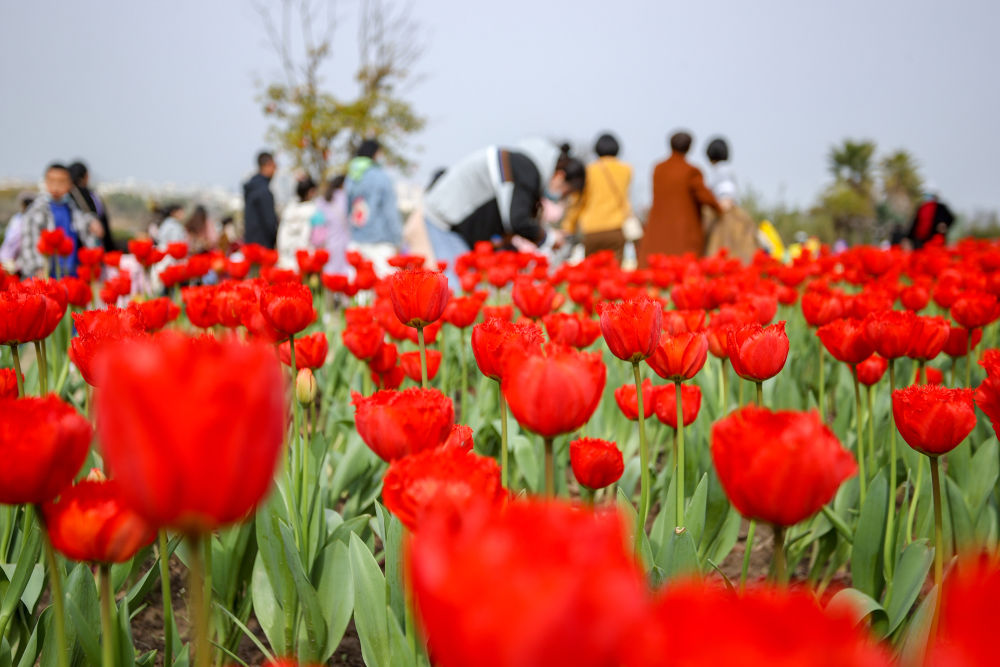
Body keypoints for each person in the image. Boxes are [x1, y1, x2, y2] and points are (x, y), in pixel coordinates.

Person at [423, 139, 586, 268]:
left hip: (455, 223)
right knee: (454, 290)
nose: (562, 196)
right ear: (559, 176)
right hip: (446, 221)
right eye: (566, 191)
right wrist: (550, 238)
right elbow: (517, 221)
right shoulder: (526, 168)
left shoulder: (524, 164)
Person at [638, 131, 720, 267]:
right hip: (684, 234)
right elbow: (706, 197)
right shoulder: (691, 171)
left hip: (658, 233)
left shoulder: (658, 169)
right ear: (689, 147)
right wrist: (720, 208)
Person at [18, 163, 101, 277]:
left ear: (69, 184)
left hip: (71, 271)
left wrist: (92, 223)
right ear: (45, 182)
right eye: (52, 181)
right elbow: (29, 242)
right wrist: (37, 268)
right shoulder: (36, 211)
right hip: (47, 273)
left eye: (61, 182)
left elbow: (85, 228)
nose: (56, 187)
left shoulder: (73, 208)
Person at [561, 133, 632, 262]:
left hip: (592, 230)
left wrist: (568, 226)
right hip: (616, 228)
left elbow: (579, 200)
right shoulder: (626, 170)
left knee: (592, 272)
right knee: (614, 272)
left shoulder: (589, 170)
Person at [345, 139, 403, 276]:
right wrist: (397, 239)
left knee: (359, 291)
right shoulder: (381, 177)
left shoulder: (351, 178)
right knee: (385, 288)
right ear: (376, 154)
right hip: (381, 241)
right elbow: (390, 212)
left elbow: (347, 210)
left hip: (357, 239)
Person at [702, 137, 757, 263]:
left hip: (725, 213)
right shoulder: (727, 169)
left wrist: (719, 211)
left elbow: (727, 194)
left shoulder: (720, 170)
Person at [277, 177, 323, 270]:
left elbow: (281, 236)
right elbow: (319, 240)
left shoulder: (288, 210)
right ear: (311, 192)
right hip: (305, 258)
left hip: (287, 257)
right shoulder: (314, 212)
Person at [68, 161, 115, 251]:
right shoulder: (91, 195)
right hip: (90, 247)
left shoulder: (65, 197)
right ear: (86, 176)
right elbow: (102, 221)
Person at [312, 175, 350, 274]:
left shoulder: (321, 200)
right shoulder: (344, 197)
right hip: (344, 242)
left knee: (330, 274)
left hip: (326, 244)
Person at [243, 151, 279, 249]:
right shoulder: (264, 191)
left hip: (250, 244)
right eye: (275, 166)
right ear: (268, 165)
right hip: (263, 247)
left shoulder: (251, 188)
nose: (275, 170)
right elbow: (270, 223)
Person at [0, 191, 35, 273]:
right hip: (13, 260)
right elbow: (11, 240)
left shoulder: (22, 219)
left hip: (22, 261)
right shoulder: (18, 219)